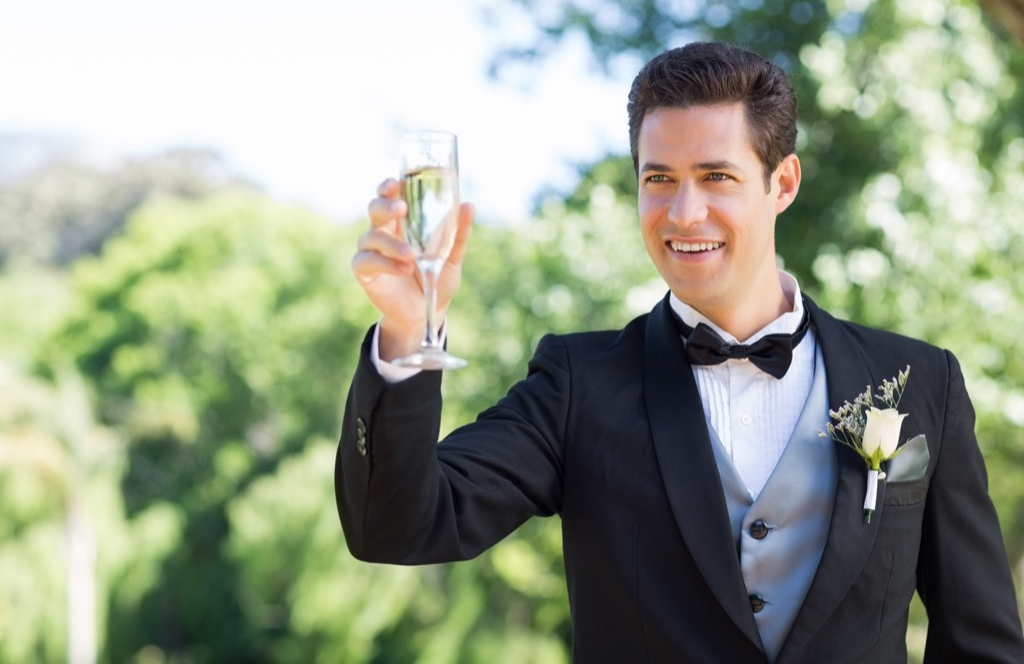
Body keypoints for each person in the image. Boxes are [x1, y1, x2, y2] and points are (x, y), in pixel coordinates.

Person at [336, 42, 1024, 662]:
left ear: (781, 183)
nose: (682, 212)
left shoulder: (918, 384)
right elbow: (396, 528)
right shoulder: (578, 384)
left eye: (716, 176)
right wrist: (407, 333)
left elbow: (981, 641)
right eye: (658, 178)